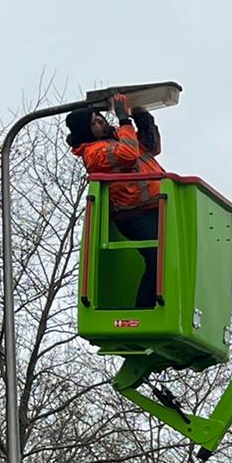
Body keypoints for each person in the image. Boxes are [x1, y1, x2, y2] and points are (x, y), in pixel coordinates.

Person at [65, 98, 166, 307]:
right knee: (157, 258)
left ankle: (158, 305)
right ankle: (144, 310)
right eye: (93, 124)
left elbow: (151, 148)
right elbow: (128, 155)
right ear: (85, 131)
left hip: (155, 205)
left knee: (167, 257)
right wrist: (124, 120)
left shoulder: (120, 137)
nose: (100, 124)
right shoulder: (93, 152)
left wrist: (142, 117)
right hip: (133, 213)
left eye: (100, 119)